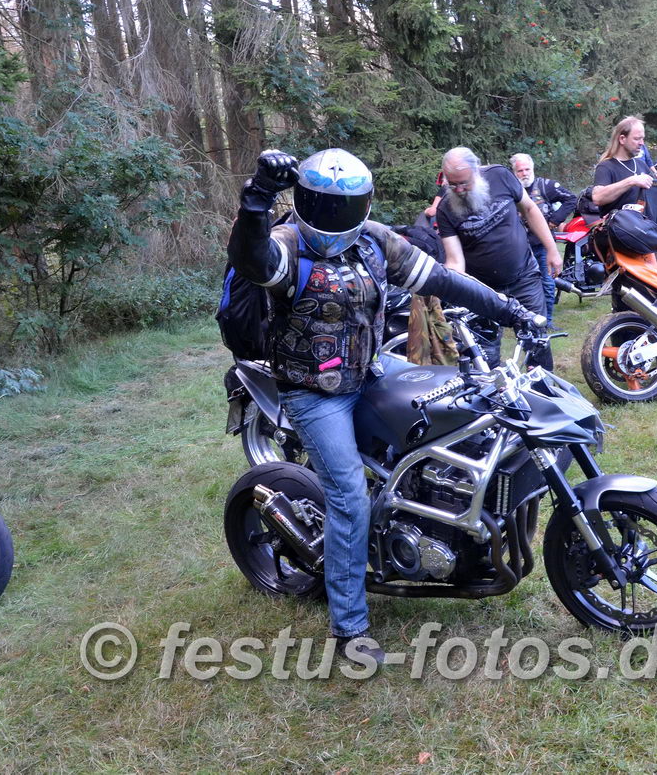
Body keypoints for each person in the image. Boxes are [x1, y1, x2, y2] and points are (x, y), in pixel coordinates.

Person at [227, 148, 542, 663]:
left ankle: (439, 524)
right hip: (313, 391)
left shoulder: (375, 241)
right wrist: (258, 197)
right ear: (304, 200)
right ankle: (349, 629)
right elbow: (252, 258)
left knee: (456, 418)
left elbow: (443, 279)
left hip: (373, 370)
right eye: (325, 204)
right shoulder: (287, 244)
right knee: (349, 498)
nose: (335, 215)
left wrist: (512, 309)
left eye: (346, 205)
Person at [436, 147, 561, 370]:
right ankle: (495, 390)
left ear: (476, 171)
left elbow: (529, 209)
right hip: (483, 290)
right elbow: (455, 261)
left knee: (537, 341)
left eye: (464, 182)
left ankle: (543, 388)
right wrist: (449, 285)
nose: (459, 190)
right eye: (452, 184)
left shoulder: (500, 176)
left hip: (524, 277)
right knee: (486, 354)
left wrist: (552, 249)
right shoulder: (446, 209)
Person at [590, 117, 657, 248]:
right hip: (618, 239)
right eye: (637, 139)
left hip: (643, 235)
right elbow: (598, 197)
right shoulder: (606, 166)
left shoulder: (641, 165)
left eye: (642, 139)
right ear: (622, 139)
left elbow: (654, 190)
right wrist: (631, 181)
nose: (642, 143)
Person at [510, 153, 577, 327]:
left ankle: (547, 322)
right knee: (521, 285)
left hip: (543, 245)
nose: (524, 173)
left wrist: (555, 220)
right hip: (518, 247)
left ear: (532, 169)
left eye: (527, 169)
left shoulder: (545, 186)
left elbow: (571, 199)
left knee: (547, 282)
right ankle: (524, 322)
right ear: (514, 172)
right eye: (520, 171)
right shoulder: (510, 190)